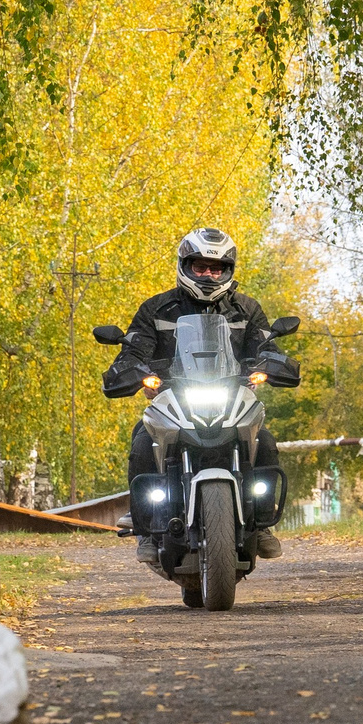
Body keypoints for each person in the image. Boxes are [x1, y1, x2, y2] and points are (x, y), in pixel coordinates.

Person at [104, 227, 282, 560]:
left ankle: (261, 521)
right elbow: (133, 352)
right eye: (200, 266)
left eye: (217, 268)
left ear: (228, 270)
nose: (209, 274)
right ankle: (145, 524)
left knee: (266, 443)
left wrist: (272, 364)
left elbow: (265, 348)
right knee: (143, 440)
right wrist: (134, 370)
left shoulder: (246, 310)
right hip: (173, 399)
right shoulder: (157, 309)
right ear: (185, 266)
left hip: (233, 399)